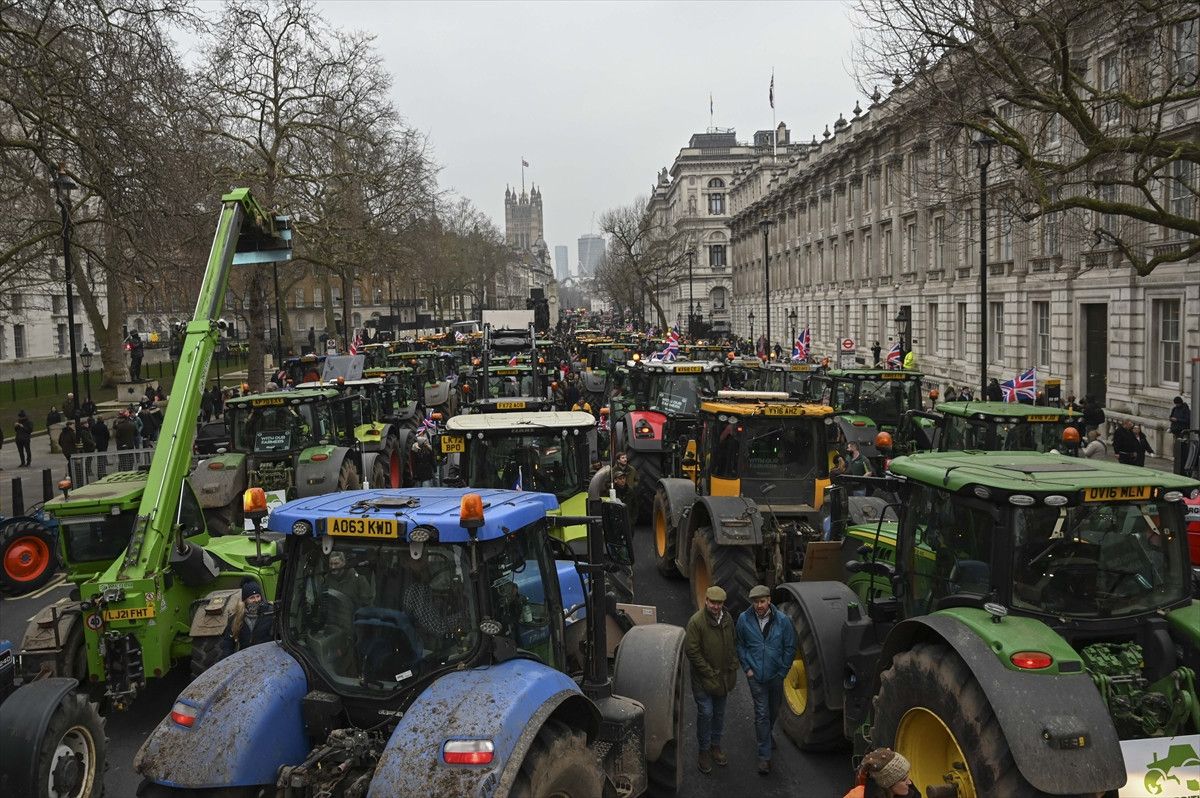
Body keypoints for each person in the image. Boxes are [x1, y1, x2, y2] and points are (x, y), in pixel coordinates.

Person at [735, 584, 797, 775]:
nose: (759, 605)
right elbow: (740, 645)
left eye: (762, 601)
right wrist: (747, 668)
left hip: (776, 676)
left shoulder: (783, 621)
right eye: (755, 602)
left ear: (769, 600)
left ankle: (767, 733)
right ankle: (764, 756)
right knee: (761, 714)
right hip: (756, 677)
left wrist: (783, 671)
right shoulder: (744, 620)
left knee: (773, 709)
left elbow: (790, 647)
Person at [684, 585, 739, 775]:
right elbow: (692, 651)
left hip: (723, 678)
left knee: (719, 714)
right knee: (706, 713)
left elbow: (733, 641)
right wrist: (708, 671)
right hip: (703, 680)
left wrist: (734, 663)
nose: (716, 607)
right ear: (706, 601)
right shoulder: (696, 622)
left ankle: (716, 746)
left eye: (720, 603)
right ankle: (704, 751)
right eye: (713, 602)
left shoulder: (728, 619)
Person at [220, 579, 274, 658]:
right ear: (245, 600)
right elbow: (228, 643)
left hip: (267, 656)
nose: (256, 600)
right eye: (252, 598)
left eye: (258, 596)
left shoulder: (270, 613)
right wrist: (225, 662)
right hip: (246, 658)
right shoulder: (236, 617)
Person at [844, 747, 920, 798]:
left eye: (907, 776)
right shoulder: (858, 795)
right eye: (903, 780)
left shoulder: (909, 792)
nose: (909, 782)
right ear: (887, 784)